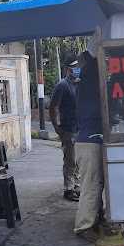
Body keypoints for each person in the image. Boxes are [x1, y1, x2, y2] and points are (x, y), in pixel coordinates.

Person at [74, 46, 104, 240]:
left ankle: (94, 221)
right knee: (91, 187)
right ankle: (83, 227)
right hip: (89, 141)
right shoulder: (91, 84)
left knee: (95, 184)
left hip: (88, 140)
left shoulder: (84, 82)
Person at [49, 55, 80, 201]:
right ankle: (68, 189)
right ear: (68, 69)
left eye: (78, 67)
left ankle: (76, 186)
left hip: (79, 128)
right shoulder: (62, 85)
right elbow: (53, 107)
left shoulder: (79, 84)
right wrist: (57, 127)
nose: (77, 70)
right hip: (68, 129)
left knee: (78, 161)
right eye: (74, 67)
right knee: (70, 160)